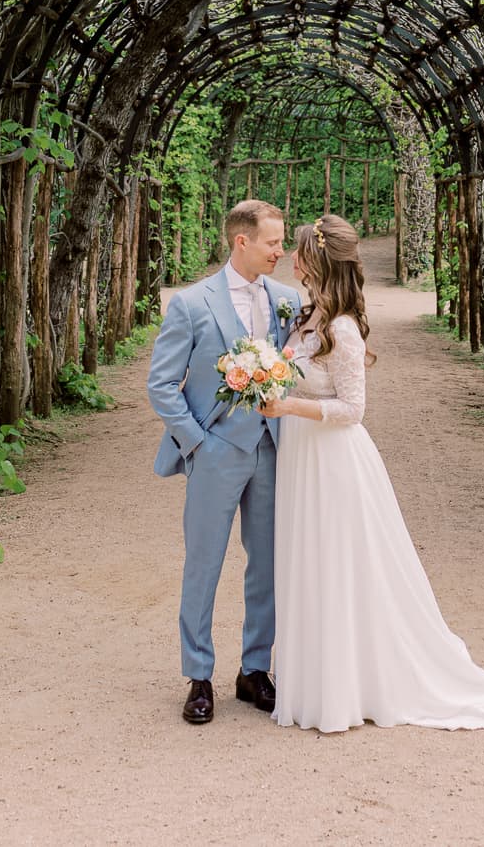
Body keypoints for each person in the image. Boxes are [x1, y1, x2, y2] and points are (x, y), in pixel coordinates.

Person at [258, 212, 484, 733]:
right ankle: (319, 680)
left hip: (333, 462)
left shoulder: (341, 328)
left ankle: (346, 687)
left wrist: (288, 406)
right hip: (303, 459)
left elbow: (352, 409)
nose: (292, 259)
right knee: (310, 563)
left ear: (315, 259)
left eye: (298, 250)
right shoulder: (307, 315)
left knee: (340, 566)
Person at [147, 198, 302, 725]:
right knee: (204, 565)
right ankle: (199, 676)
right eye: (273, 242)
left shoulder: (287, 300)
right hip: (215, 453)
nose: (282, 251)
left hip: (273, 450)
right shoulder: (191, 305)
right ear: (243, 242)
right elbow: (162, 385)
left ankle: (255, 670)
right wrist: (196, 443)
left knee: (268, 565)